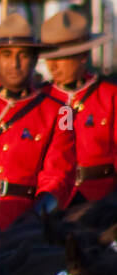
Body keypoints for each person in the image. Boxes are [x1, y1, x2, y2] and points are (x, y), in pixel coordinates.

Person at [0, 13, 76, 226]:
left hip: (22, 219)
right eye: (7, 54)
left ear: (36, 59)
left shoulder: (60, 112)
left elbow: (58, 178)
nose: (15, 63)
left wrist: (34, 219)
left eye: (23, 55)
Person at [40, 8, 117, 203]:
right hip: (51, 202)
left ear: (83, 55)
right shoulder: (41, 99)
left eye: (61, 58)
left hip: (101, 201)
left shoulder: (109, 96)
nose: (53, 66)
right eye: (49, 58)